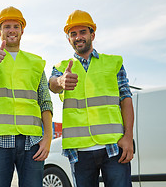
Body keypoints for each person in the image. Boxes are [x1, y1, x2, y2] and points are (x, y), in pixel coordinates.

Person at [48, 10, 134, 187]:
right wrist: (61, 81)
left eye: (82, 32)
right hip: (80, 152)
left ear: (92, 34)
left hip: (113, 147)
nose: (78, 37)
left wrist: (128, 137)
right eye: (73, 34)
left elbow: (126, 99)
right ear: (68, 38)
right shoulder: (62, 67)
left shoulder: (113, 63)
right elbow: (52, 84)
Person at [0, 6, 53, 187]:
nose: (11, 30)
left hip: (32, 142)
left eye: (16, 26)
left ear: (22, 30)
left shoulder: (35, 62)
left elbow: (45, 101)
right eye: (7, 26)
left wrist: (47, 138)